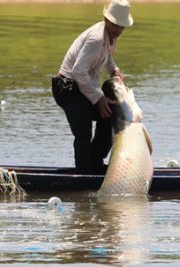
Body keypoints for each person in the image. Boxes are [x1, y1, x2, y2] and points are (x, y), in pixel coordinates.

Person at [52, 0, 134, 174]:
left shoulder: (110, 37)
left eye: (122, 26)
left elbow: (107, 57)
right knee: (83, 134)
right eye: (116, 24)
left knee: (109, 115)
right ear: (107, 20)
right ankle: (83, 176)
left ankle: (95, 164)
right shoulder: (96, 38)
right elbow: (78, 71)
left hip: (80, 88)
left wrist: (114, 70)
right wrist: (98, 98)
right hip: (67, 89)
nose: (119, 29)